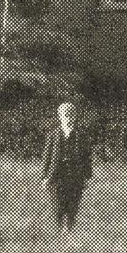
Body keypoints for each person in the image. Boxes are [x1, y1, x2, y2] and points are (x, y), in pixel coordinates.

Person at [40, 100, 95, 233]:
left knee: (73, 204)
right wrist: (44, 177)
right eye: (65, 115)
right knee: (58, 205)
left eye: (71, 115)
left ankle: (69, 231)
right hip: (57, 175)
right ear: (60, 117)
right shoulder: (53, 135)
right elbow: (46, 158)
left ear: (75, 116)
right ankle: (58, 231)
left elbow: (86, 158)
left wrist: (87, 177)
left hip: (76, 175)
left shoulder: (81, 136)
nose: (68, 118)